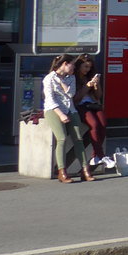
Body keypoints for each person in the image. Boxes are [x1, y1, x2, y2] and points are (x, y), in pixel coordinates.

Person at [42, 54, 94, 183]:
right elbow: (50, 100)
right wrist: (60, 114)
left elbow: (71, 94)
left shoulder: (70, 78)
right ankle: (62, 171)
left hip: (70, 109)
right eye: (72, 65)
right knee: (62, 138)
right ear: (65, 64)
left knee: (78, 138)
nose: (74, 68)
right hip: (53, 110)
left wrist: (61, 83)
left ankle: (85, 170)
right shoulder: (49, 79)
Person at [73, 54, 112, 170]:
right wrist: (87, 86)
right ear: (79, 66)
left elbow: (98, 96)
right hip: (80, 106)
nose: (87, 70)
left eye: (89, 67)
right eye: (85, 67)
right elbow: (76, 98)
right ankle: (101, 155)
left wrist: (96, 85)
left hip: (93, 105)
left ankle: (95, 155)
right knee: (94, 124)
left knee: (103, 123)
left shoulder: (90, 76)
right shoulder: (73, 78)